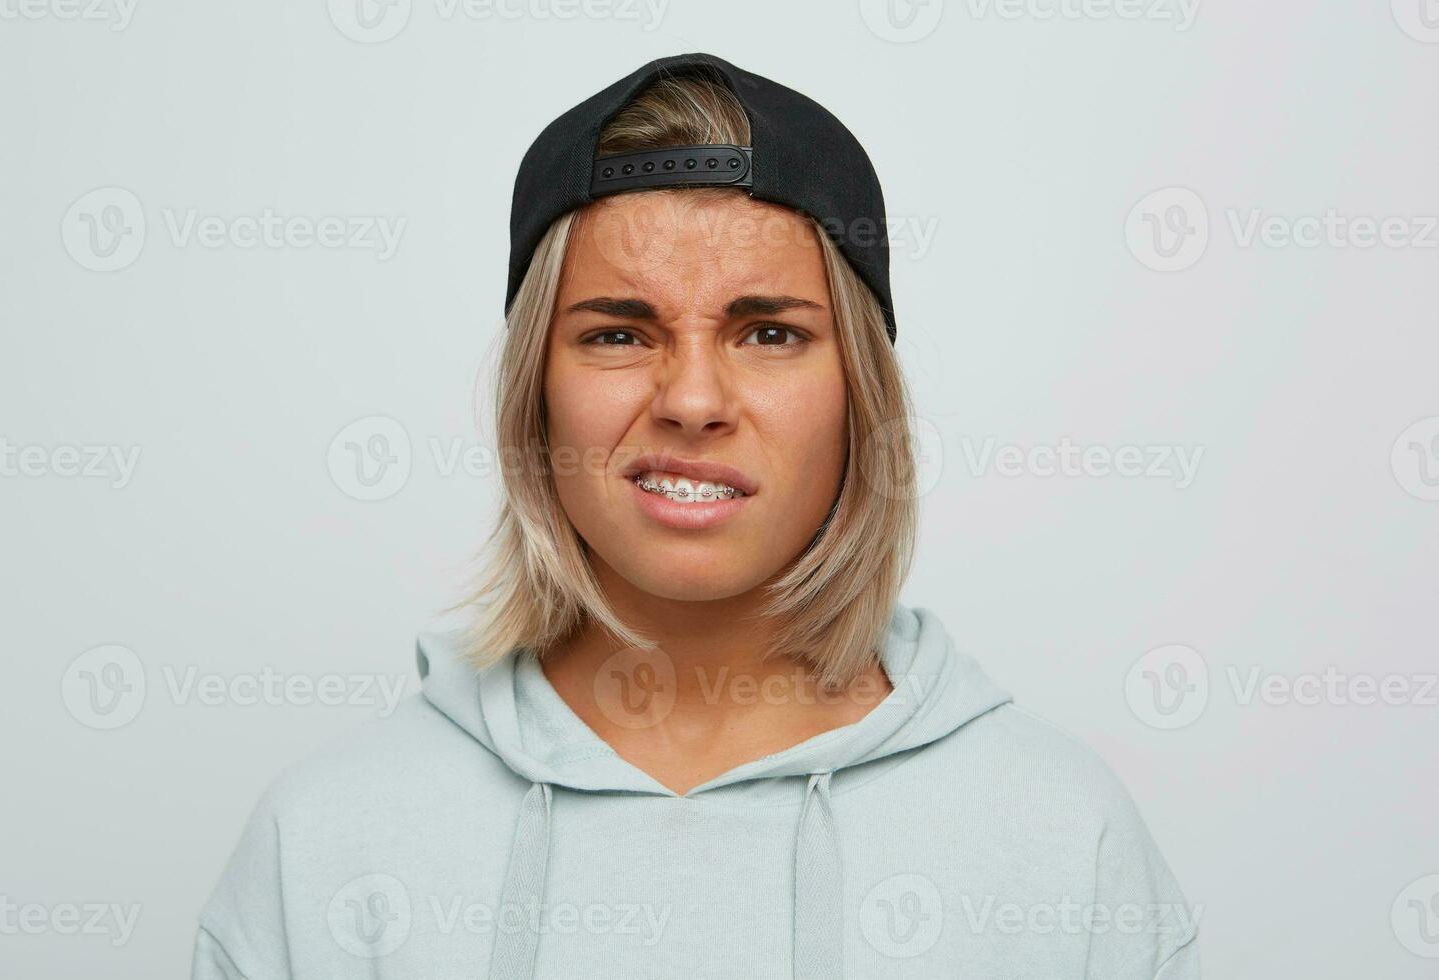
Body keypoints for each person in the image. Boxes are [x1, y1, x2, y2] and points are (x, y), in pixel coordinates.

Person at [192, 52, 1201, 979]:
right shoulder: (329, 842)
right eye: (619, 332)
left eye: (768, 331)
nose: (692, 398)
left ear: (860, 393)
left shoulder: (1063, 840)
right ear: (534, 395)